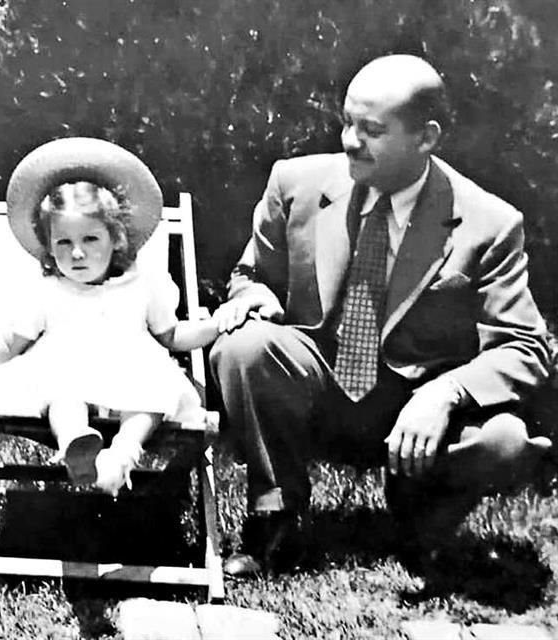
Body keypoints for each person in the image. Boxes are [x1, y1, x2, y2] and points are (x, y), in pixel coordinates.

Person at [211, 54, 553, 574]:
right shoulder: (297, 184)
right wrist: (254, 298)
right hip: (318, 384)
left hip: (414, 414)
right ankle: (273, 519)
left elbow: (525, 345)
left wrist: (446, 393)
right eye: (347, 122)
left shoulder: (488, 223)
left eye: (372, 129)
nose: (350, 140)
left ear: (426, 137)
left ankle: (419, 523)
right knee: (243, 345)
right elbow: (250, 275)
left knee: (502, 440)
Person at [0, 137, 226, 496]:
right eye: (64, 243)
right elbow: (8, 344)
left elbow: (172, 336)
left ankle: (122, 455)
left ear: (116, 238)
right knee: (61, 394)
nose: (78, 253)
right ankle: (75, 443)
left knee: (153, 394)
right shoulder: (45, 289)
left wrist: (215, 325)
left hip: (130, 370)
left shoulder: (144, 283)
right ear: (49, 249)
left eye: (90, 239)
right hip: (65, 368)